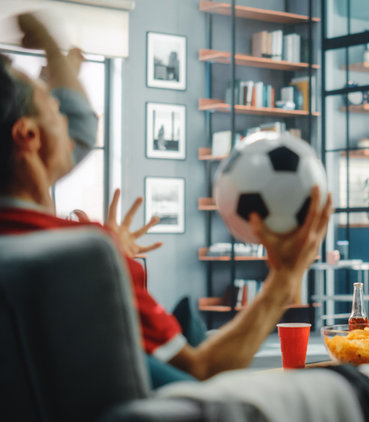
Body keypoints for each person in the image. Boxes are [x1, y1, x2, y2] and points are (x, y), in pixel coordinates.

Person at [0, 14, 332, 382]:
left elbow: (80, 124)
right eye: (53, 110)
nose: (68, 121)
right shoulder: (88, 252)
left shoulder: (21, 244)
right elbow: (201, 371)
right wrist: (286, 278)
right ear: (28, 136)